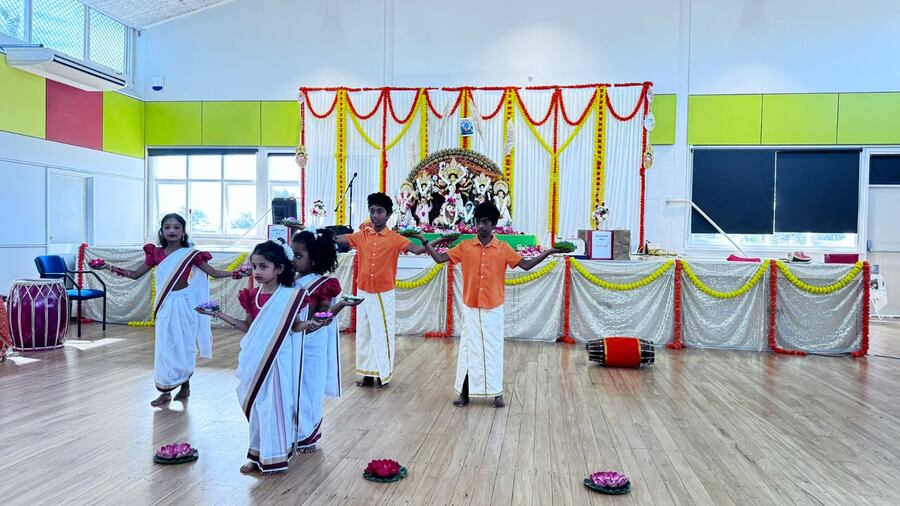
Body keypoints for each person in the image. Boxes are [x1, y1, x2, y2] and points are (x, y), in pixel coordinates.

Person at [197, 241, 359, 474]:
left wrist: (315, 323)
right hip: (254, 359)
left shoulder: (292, 296)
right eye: (254, 266)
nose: (257, 272)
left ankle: (275, 455)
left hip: (279, 360)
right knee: (257, 408)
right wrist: (218, 314)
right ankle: (255, 455)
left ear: (280, 269)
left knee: (275, 407)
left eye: (263, 266)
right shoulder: (251, 295)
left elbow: (296, 326)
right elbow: (249, 327)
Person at [418, 202, 559, 408]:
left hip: (494, 307)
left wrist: (549, 252)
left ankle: (496, 392)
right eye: (478, 222)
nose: (481, 226)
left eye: (485, 222)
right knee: (468, 350)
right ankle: (464, 393)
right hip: (471, 307)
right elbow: (439, 259)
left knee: (493, 349)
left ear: (493, 224)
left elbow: (526, 265)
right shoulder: (465, 246)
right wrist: (427, 241)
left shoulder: (503, 248)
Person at [98, 213, 240, 407]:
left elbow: (213, 273)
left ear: (183, 231)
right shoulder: (156, 253)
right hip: (165, 303)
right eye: (167, 227)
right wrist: (107, 266)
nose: (171, 231)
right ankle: (165, 391)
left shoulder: (191, 254)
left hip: (186, 302)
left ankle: (185, 385)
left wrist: (238, 273)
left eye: (176, 227)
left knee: (184, 345)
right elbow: (135, 275)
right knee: (165, 346)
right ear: (162, 231)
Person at [334, 192, 428, 388]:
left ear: (388, 215)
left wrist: (427, 240)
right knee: (364, 333)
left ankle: (382, 375)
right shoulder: (362, 235)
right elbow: (340, 239)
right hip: (363, 291)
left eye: (379, 211)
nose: (375, 215)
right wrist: (317, 234)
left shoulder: (395, 238)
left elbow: (418, 250)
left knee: (381, 333)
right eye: (372, 211)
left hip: (383, 293)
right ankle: (367, 374)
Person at [289, 229, 352, 453]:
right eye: (291, 254)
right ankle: (289, 431)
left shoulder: (322, 284)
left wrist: (340, 306)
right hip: (291, 342)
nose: (293, 259)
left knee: (309, 388)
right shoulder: (289, 280)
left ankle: (307, 435)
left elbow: (324, 314)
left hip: (311, 343)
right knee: (290, 387)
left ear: (314, 259)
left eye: (298, 256)